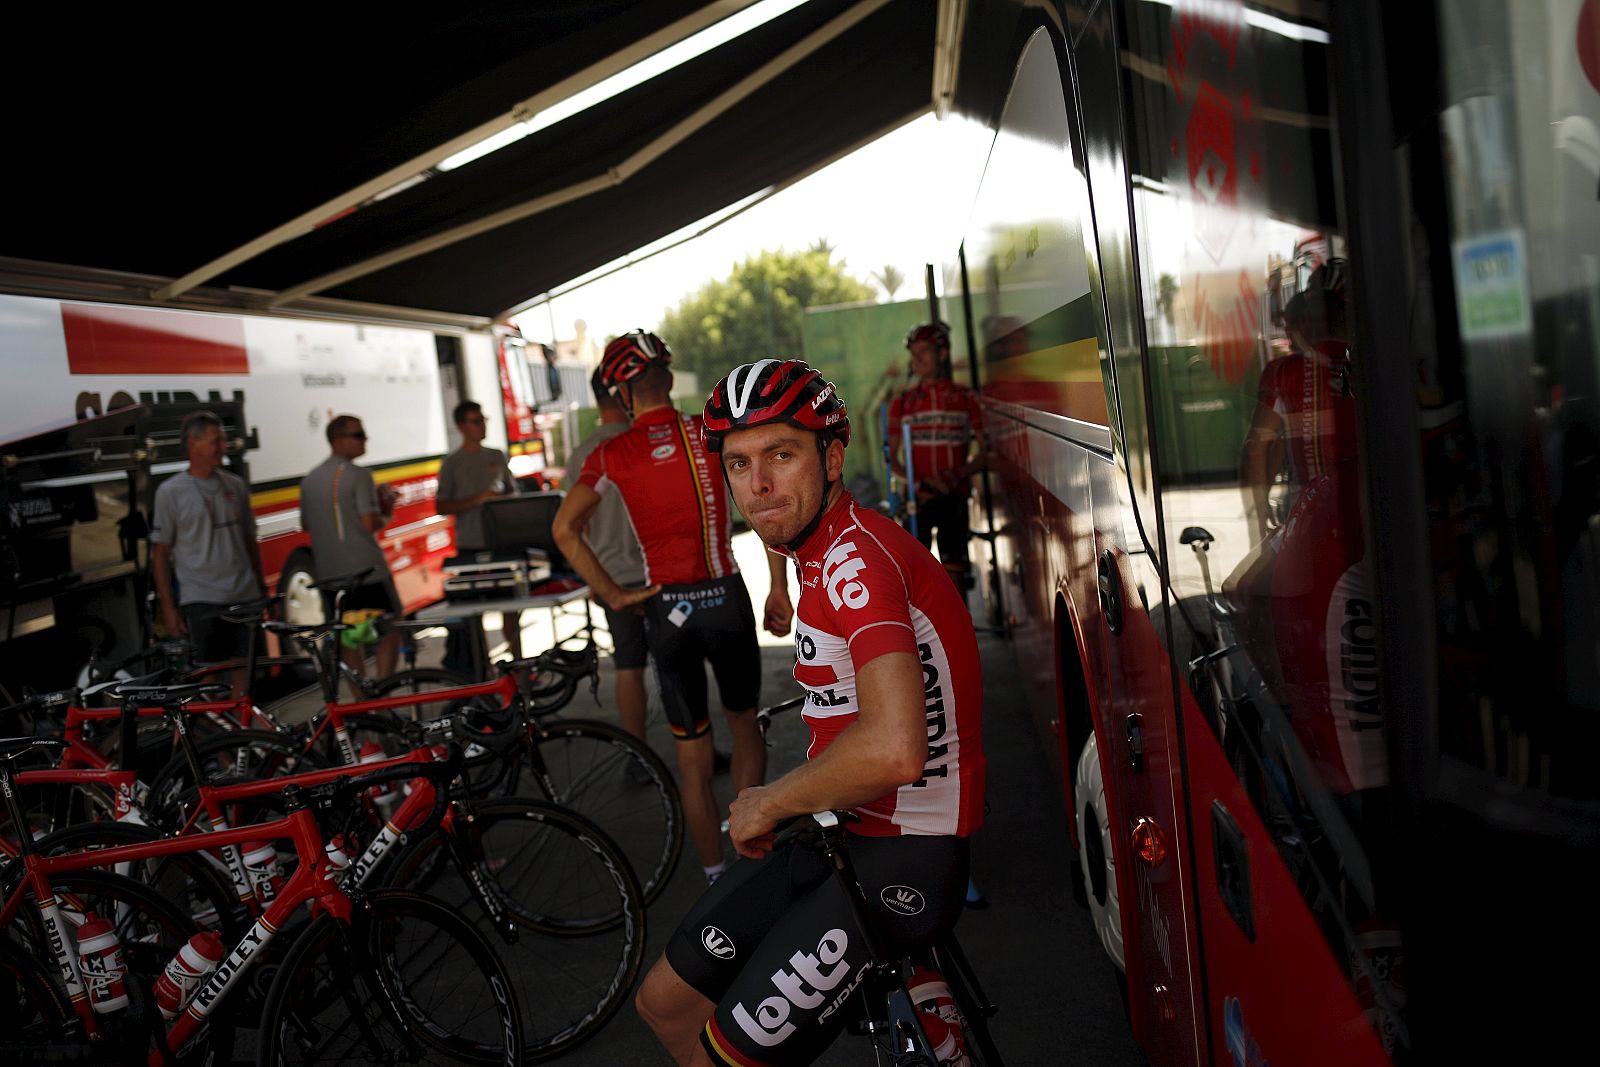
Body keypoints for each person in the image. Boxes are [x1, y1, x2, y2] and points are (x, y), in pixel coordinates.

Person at [635, 359, 987, 1067]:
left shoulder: (855, 564)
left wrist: (769, 798)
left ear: (832, 457)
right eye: (738, 464)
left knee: (722, 1054)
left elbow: (894, 748)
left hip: (905, 851)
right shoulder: (820, 551)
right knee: (665, 1002)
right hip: (845, 826)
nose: (757, 485)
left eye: (780, 455)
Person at [552, 330, 790, 886]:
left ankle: (714, 878)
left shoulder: (609, 451)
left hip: (666, 611)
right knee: (746, 728)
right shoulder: (709, 432)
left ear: (622, 391)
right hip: (724, 598)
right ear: (667, 376)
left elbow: (565, 530)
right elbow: (764, 506)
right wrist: (781, 588)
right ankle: (751, 857)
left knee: (692, 757)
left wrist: (612, 593)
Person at [150, 410, 267, 692]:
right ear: (193, 444)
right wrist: (168, 607)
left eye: (223, 441)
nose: (222, 449)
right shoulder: (171, 491)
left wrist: (261, 586)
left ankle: (242, 730)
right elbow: (161, 553)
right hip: (202, 598)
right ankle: (211, 731)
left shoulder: (235, 485)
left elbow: (249, 540)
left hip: (244, 595)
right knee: (208, 674)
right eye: (216, 442)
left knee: (245, 669)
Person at [562, 369, 649, 744]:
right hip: (658, 572)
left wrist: (593, 578)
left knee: (629, 666)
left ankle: (638, 755)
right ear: (625, 393)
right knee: (678, 668)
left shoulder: (582, 453)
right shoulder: (642, 441)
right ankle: (696, 756)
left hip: (612, 575)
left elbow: (571, 528)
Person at [299, 413, 401, 685]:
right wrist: (387, 508)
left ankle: (359, 699)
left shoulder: (309, 480)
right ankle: (382, 690)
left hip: (330, 572)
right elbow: (369, 523)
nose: (365, 439)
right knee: (389, 628)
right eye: (358, 435)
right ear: (338, 440)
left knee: (346, 636)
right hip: (367, 569)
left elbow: (306, 524)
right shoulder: (359, 475)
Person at [888, 321, 986, 590]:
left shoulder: (966, 398)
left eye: (924, 351)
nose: (916, 359)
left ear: (942, 354)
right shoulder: (902, 402)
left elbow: (987, 453)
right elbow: (892, 459)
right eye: (913, 353)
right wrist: (918, 483)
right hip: (916, 500)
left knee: (954, 581)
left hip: (953, 498)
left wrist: (955, 475)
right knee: (915, 582)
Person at [436, 400, 522, 670]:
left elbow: (513, 493)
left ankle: (518, 666)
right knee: (474, 612)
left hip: (500, 541)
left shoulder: (496, 455)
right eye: (476, 421)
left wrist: (501, 499)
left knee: (512, 605)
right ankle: (482, 670)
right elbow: (442, 506)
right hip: (470, 544)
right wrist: (478, 499)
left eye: (483, 419)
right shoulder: (452, 463)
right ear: (461, 426)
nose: (482, 425)